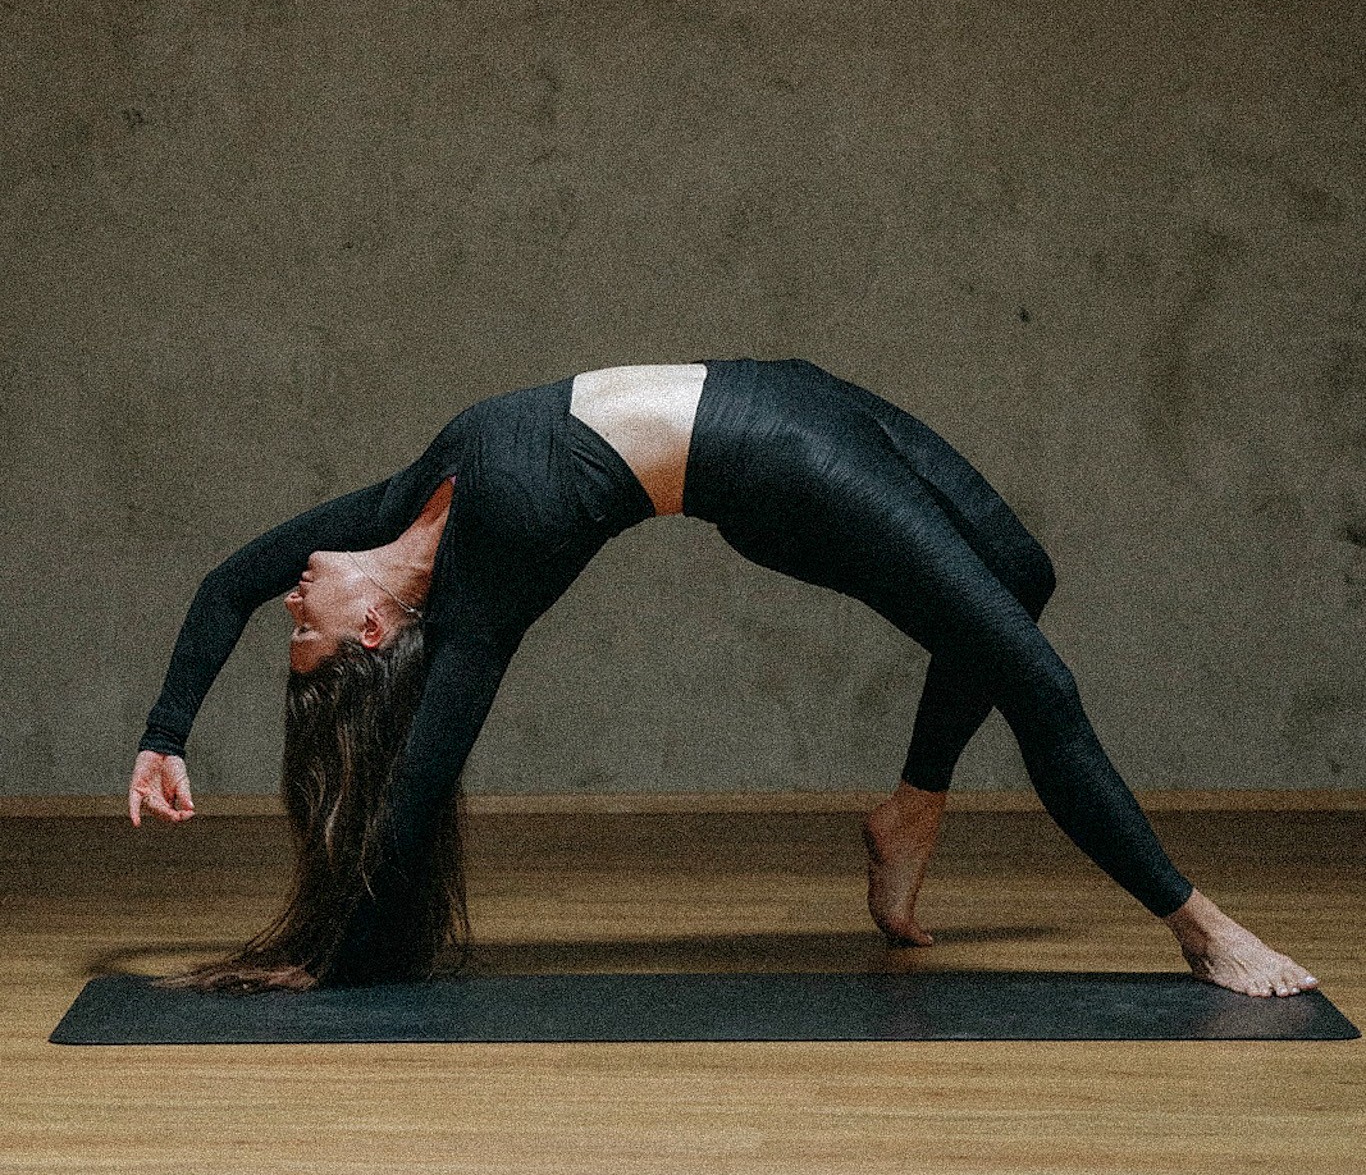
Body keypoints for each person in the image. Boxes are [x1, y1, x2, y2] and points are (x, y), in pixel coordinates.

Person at [128, 358, 1318, 999]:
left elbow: (226, 580)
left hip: (787, 386)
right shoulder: (482, 602)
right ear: (376, 630)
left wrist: (164, 732)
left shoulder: (392, 511)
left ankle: (912, 804)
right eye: (309, 631)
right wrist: (335, 937)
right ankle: (1199, 926)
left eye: (298, 617)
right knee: (1037, 681)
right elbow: (415, 790)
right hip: (779, 466)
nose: (295, 598)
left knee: (1021, 569)